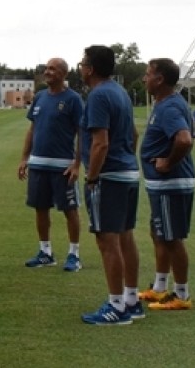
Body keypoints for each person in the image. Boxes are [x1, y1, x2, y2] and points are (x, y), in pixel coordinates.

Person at [78, 45, 142, 325]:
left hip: (109, 177)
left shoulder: (99, 95)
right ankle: (131, 300)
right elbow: (134, 132)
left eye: (82, 63)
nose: (80, 67)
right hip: (127, 172)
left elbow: (100, 143)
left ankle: (116, 306)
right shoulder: (120, 92)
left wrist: (92, 177)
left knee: (107, 240)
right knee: (126, 237)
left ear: (90, 69)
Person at [138, 58, 195, 311]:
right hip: (162, 185)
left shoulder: (169, 107)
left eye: (148, 74)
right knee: (159, 233)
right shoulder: (164, 103)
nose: (144, 78)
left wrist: (168, 163)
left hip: (170, 183)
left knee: (172, 238)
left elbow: (184, 140)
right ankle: (160, 288)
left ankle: (181, 294)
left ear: (159, 80)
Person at [17, 58, 84, 272]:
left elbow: (82, 133)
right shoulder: (39, 97)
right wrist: (25, 157)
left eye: (52, 69)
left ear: (64, 74)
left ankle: (74, 254)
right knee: (40, 208)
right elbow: (32, 129)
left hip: (62, 166)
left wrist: (77, 163)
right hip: (38, 164)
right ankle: (45, 252)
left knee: (70, 210)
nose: (47, 72)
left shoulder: (74, 99)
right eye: (46, 68)